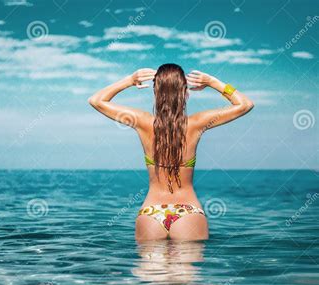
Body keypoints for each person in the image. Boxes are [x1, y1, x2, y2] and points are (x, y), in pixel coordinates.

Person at [88, 64, 254, 241]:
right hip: (188, 211)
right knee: (185, 267)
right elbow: (245, 104)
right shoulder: (197, 123)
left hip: (151, 212)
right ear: (185, 93)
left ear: (155, 93)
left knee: (151, 268)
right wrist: (213, 82)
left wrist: (129, 80)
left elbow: (96, 100)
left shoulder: (142, 121)